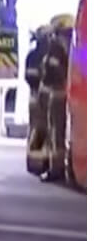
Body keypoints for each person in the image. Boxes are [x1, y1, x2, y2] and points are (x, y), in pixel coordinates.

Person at [37, 14, 75, 182]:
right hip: (74, 94)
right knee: (72, 133)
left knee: (56, 133)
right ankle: (72, 168)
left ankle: (57, 169)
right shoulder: (77, 47)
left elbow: (49, 73)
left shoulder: (55, 48)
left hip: (57, 94)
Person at [24, 24, 52, 175]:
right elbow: (31, 76)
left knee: (39, 129)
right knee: (39, 128)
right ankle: (37, 162)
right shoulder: (39, 56)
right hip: (38, 96)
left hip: (37, 95)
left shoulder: (34, 55)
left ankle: (38, 162)